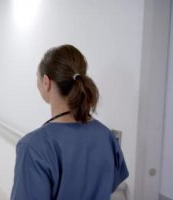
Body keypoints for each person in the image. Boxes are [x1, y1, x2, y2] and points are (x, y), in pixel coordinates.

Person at [11, 44, 129, 200]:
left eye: (37, 77)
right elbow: (111, 185)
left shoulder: (34, 147)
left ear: (46, 82)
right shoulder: (106, 137)